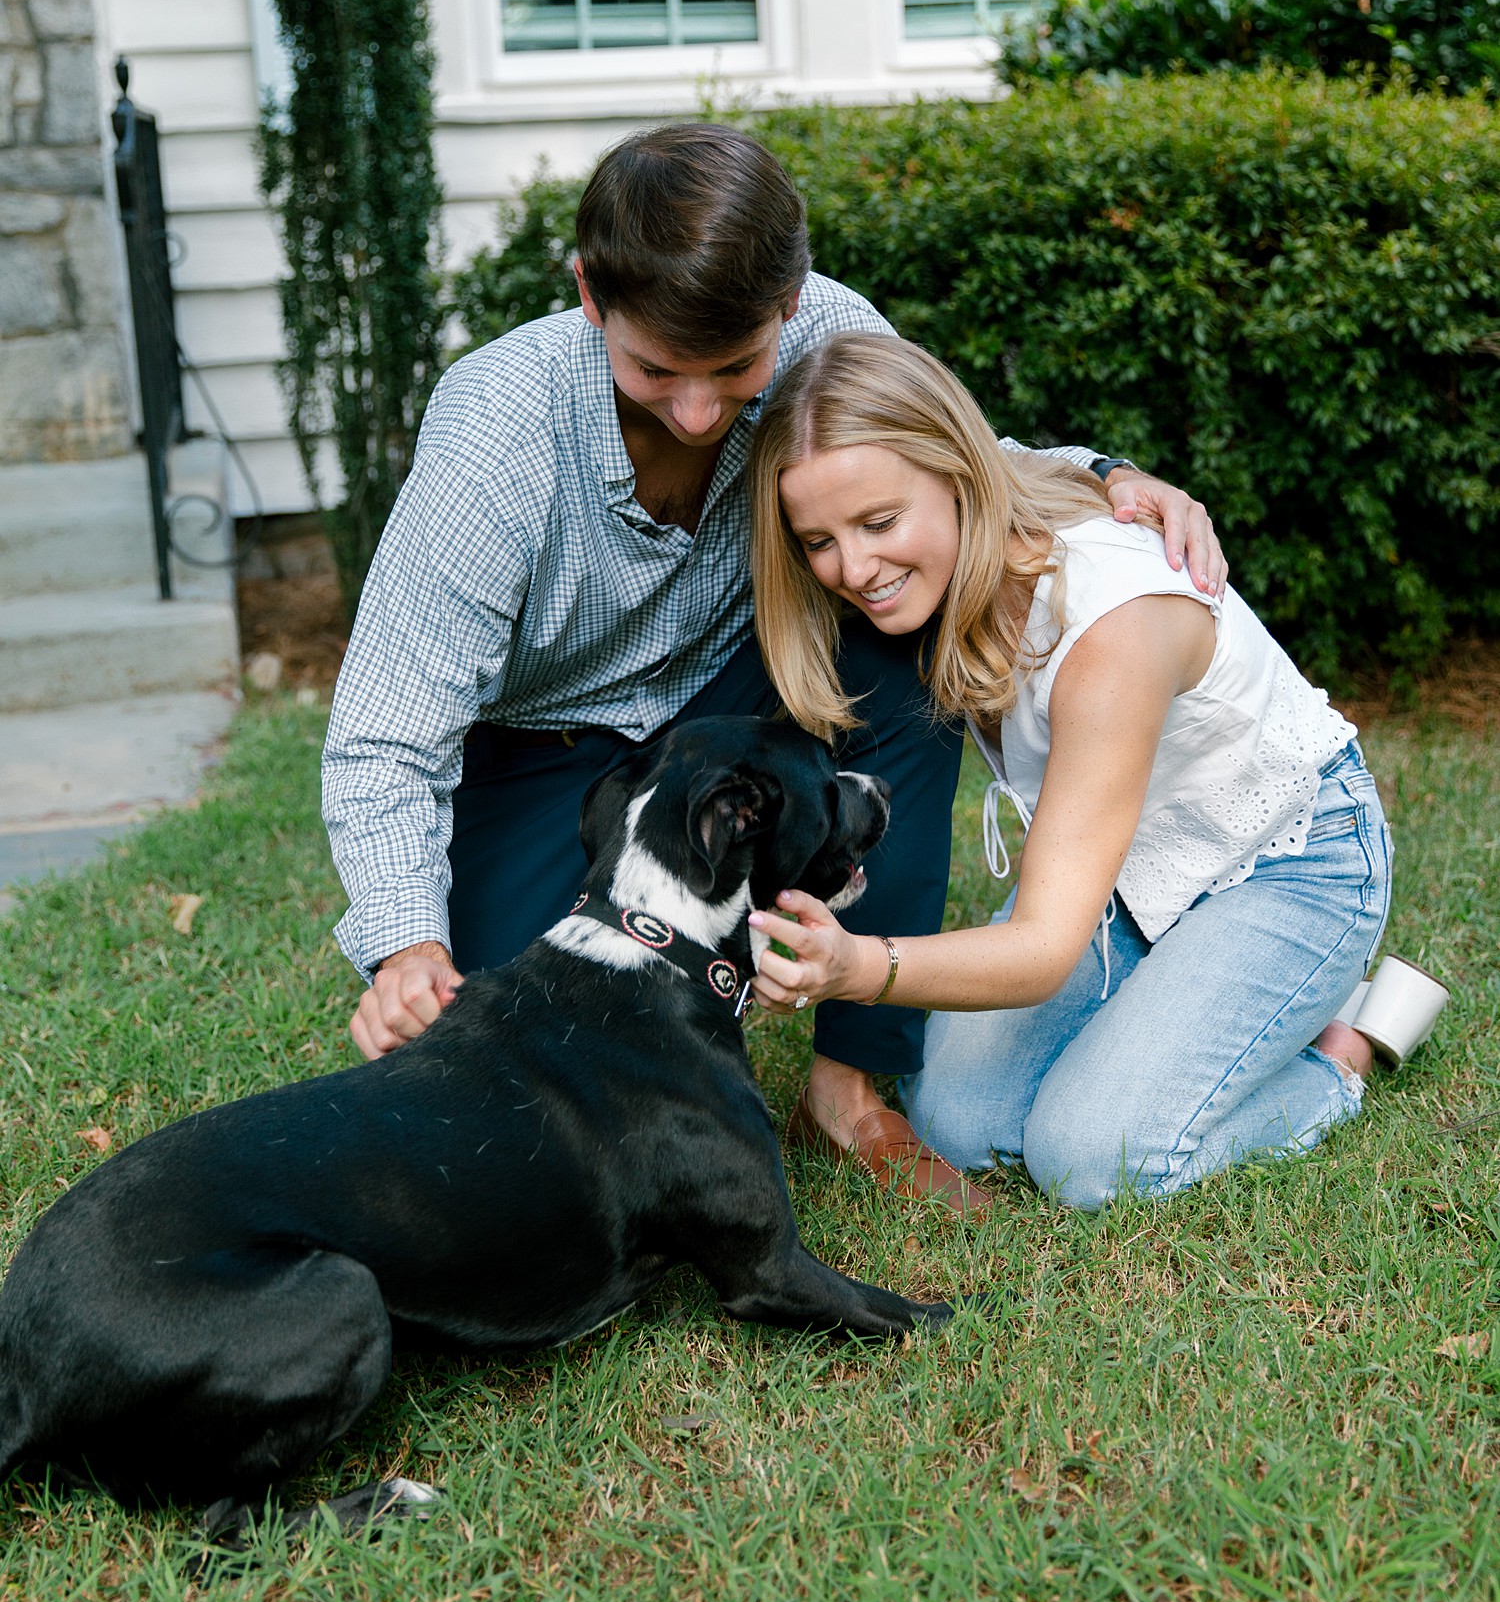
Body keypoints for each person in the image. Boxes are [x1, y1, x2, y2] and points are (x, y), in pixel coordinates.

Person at [322, 123, 1225, 1216]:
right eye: (655, 368)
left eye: (735, 369)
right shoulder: (494, 435)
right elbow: (384, 735)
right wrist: (406, 950)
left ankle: (847, 1083)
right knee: (527, 1068)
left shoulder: (829, 328)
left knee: (902, 635)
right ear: (589, 297)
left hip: (736, 688)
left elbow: (951, 462)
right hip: (541, 748)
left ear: (790, 302)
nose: (699, 412)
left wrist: (1109, 474)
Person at [745, 333, 1394, 1210]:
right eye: (818, 540)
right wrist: (1117, 467)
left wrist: (856, 965)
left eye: (879, 523)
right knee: (953, 1119)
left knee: (1091, 1161)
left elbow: (1044, 950)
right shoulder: (967, 519)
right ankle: (1192, 1011)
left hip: (1291, 865)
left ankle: (1336, 1054)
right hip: (1125, 873)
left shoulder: (1110, 628)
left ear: (957, 475)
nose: (854, 570)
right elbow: (1026, 452)